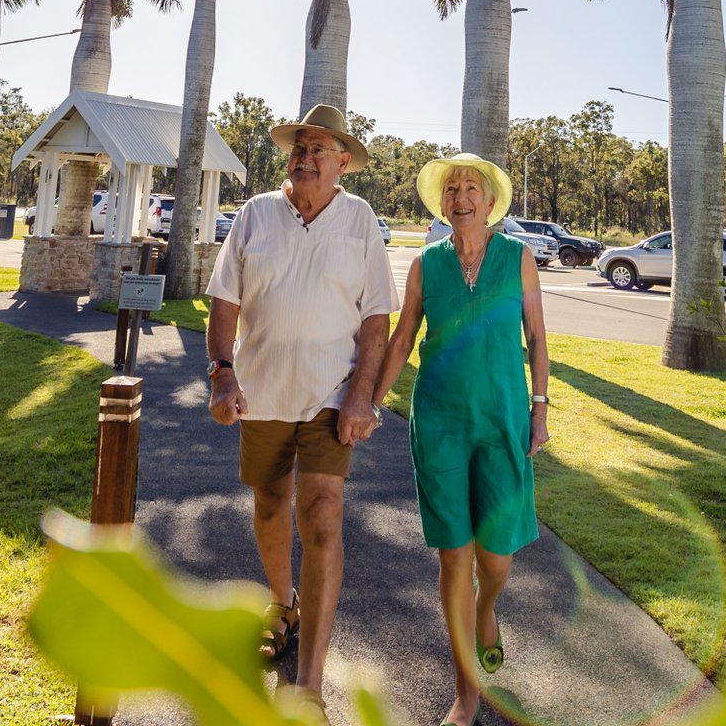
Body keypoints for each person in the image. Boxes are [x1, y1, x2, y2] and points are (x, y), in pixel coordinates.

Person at [204, 103, 397, 719]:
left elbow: (375, 320)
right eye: (300, 147)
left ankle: (308, 684)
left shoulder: (360, 220)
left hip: (329, 396)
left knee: (321, 516)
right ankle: (280, 601)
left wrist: (364, 395)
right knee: (268, 505)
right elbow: (224, 304)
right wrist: (222, 374)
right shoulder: (256, 215)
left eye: (320, 149)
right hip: (261, 392)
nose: (306, 157)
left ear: (343, 163)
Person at [372, 153, 550, 726]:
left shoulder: (518, 258)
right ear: (443, 204)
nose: (461, 197)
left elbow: (538, 339)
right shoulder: (426, 265)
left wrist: (539, 408)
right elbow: (402, 341)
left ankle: (487, 607)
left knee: (495, 559)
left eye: (471, 187)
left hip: (502, 420)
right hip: (441, 423)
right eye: (452, 190)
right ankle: (466, 692)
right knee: (455, 557)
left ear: (490, 201)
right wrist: (372, 402)